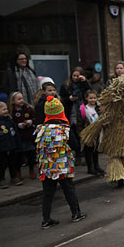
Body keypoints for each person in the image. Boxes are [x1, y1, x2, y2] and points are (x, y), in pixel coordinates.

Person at [81, 73, 124, 188]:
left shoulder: (114, 104)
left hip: (117, 133)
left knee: (115, 156)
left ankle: (121, 176)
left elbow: (105, 117)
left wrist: (94, 130)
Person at [34, 96, 86, 229]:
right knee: (68, 189)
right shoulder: (65, 128)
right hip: (62, 165)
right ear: (61, 111)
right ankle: (76, 213)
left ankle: (46, 220)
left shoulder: (41, 129)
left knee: (47, 193)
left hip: (46, 167)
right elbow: (74, 144)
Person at [59, 67, 92, 162]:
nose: (76, 78)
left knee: (82, 133)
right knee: (73, 134)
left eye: (78, 76)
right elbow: (62, 100)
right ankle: (77, 156)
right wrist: (69, 99)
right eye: (74, 76)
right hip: (71, 112)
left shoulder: (83, 85)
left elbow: (90, 92)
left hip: (81, 110)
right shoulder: (66, 85)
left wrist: (85, 81)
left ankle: (86, 157)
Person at [9, 91, 37, 180]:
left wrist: (30, 121)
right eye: (19, 99)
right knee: (19, 156)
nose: (22, 100)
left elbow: (34, 117)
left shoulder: (28, 108)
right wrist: (18, 125)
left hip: (29, 134)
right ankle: (18, 171)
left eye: (22, 98)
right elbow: (11, 122)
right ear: (13, 101)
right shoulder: (12, 111)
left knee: (31, 154)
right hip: (19, 137)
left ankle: (31, 169)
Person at [77, 90, 105, 176]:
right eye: (91, 98)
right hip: (88, 132)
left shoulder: (98, 108)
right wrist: (81, 132)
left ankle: (96, 165)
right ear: (86, 98)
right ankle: (90, 167)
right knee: (88, 150)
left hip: (97, 132)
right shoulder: (83, 109)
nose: (93, 100)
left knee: (95, 150)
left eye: (94, 98)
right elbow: (80, 122)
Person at [0, 101, 22, 189]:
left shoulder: (10, 121)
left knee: (13, 163)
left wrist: (18, 144)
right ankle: (1, 179)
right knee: (3, 164)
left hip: (12, 146)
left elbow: (16, 133)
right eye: (3, 109)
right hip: (1, 148)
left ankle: (14, 177)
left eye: (6, 109)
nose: (6, 111)